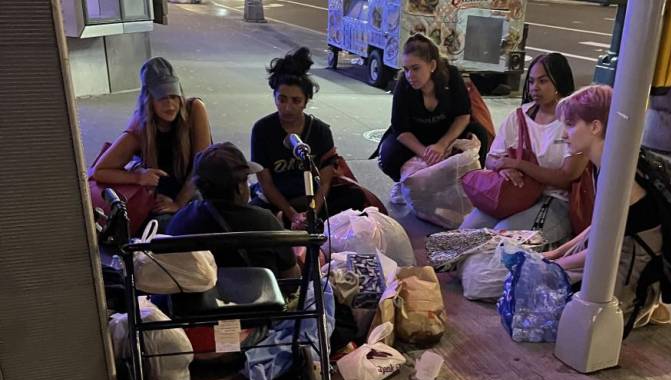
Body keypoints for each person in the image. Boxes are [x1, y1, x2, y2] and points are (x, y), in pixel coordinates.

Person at [543, 85, 669, 327]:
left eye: (570, 124)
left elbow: (605, 251)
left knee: (561, 316)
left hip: (628, 275)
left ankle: (646, 308)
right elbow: (599, 228)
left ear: (595, 127)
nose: (564, 133)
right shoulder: (611, 161)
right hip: (626, 259)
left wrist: (554, 264)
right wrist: (556, 254)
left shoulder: (616, 174)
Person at [460, 53, 587, 248]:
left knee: (502, 242)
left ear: (559, 82)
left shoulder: (575, 122)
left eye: (543, 81)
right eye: (531, 82)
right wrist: (503, 168)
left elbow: (566, 176)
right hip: (515, 194)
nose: (535, 87)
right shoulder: (518, 117)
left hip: (554, 201)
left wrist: (519, 164)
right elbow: (491, 158)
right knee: (464, 236)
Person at [250, 47, 371, 228]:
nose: (288, 108)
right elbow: (266, 183)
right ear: (274, 97)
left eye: (296, 101)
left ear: (306, 101)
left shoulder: (320, 131)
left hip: (312, 199)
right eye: (282, 99)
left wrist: (312, 212)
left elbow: (324, 182)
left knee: (355, 198)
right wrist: (292, 215)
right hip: (278, 199)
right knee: (254, 218)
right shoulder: (262, 130)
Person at [91, 57, 212, 226]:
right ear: (149, 101)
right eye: (162, 98)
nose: (170, 105)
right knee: (162, 227)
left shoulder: (194, 109)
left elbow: (201, 166)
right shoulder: (139, 129)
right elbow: (100, 171)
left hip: (193, 189)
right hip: (161, 200)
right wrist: (137, 177)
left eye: (173, 96)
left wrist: (179, 203)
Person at [376, 33, 490, 204]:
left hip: (447, 132)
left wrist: (442, 145)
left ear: (432, 65)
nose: (409, 75)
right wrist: (425, 153)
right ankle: (403, 183)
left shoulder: (451, 76)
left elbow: (463, 115)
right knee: (388, 155)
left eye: (416, 68)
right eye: (406, 69)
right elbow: (401, 129)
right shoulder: (403, 85)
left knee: (479, 133)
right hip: (416, 134)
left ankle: (470, 185)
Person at [167, 142, 300, 279]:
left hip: (198, 300)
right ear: (239, 187)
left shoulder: (182, 219)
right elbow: (292, 279)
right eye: (246, 180)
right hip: (259, 298)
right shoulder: (265, 221)